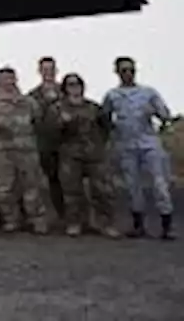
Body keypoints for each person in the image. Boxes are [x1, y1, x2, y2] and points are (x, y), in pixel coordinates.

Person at [101, 56, 175, 240]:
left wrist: (157, 116)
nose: (128, 74)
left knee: (159, 184)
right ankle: (138, 225)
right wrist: (112, 133)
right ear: (117, 72)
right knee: (133, 186)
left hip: (149, 143)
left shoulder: (148, 92)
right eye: (123, 70)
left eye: (131, 70)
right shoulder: (112, 95)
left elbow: (166, 115)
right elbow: (104, 118)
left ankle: (166, 226)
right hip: (126, 144)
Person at [0, 68, 48, 234]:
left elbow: (39, 120)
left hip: (27, 150)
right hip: (5, 151)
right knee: (6, 188)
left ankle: (36, 220)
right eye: (4, 79)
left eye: (11, 78)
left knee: (32, 186)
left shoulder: (28, 102)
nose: (8, 82)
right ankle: (11, 220)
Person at [55, 73, 120, 238]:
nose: (74, 87)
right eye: (70, 84)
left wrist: (101, 145)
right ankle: (74, 223)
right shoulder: (57, 108)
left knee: (102, 190)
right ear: (64, 88)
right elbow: (50, 132)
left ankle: (106, 224)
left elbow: (106, 127)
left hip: (94, 154)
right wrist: (63, 123)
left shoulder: (93, 107)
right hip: (70, 155)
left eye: (77, 84)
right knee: (72, 191)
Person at [27, 56, 64, 223]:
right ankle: (55, 215)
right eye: (44, 69)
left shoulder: (66, 90)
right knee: (50, 180)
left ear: (56, 71)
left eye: (51, 69)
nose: (48, 72)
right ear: (39, 71)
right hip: (45, 144)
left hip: (66, 143)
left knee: (69, 181)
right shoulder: (33, 96)